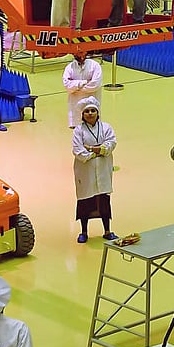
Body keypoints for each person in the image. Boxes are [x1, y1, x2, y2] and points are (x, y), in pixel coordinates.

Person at [72, 97, 118, 243]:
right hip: (85, 170)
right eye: (87, 111)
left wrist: (91, 148)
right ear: (82, 114)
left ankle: (107, 230)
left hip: (103, 169)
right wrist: (97, 152)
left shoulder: (106, 127)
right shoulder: (78, 131)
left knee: (104, 199)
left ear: (98, 113)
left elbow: (111, 144)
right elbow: (78, 151)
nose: (90, 113)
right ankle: (84, 231)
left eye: (93, 111)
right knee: (85, 200)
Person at [63, 53, 103, 128]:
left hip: (92, 106)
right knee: (77, 134)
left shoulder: (95, 66)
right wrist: (84, 82)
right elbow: (67, 85)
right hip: (75, 108)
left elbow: (95, 85)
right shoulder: (69, 67)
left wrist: (75, 87)